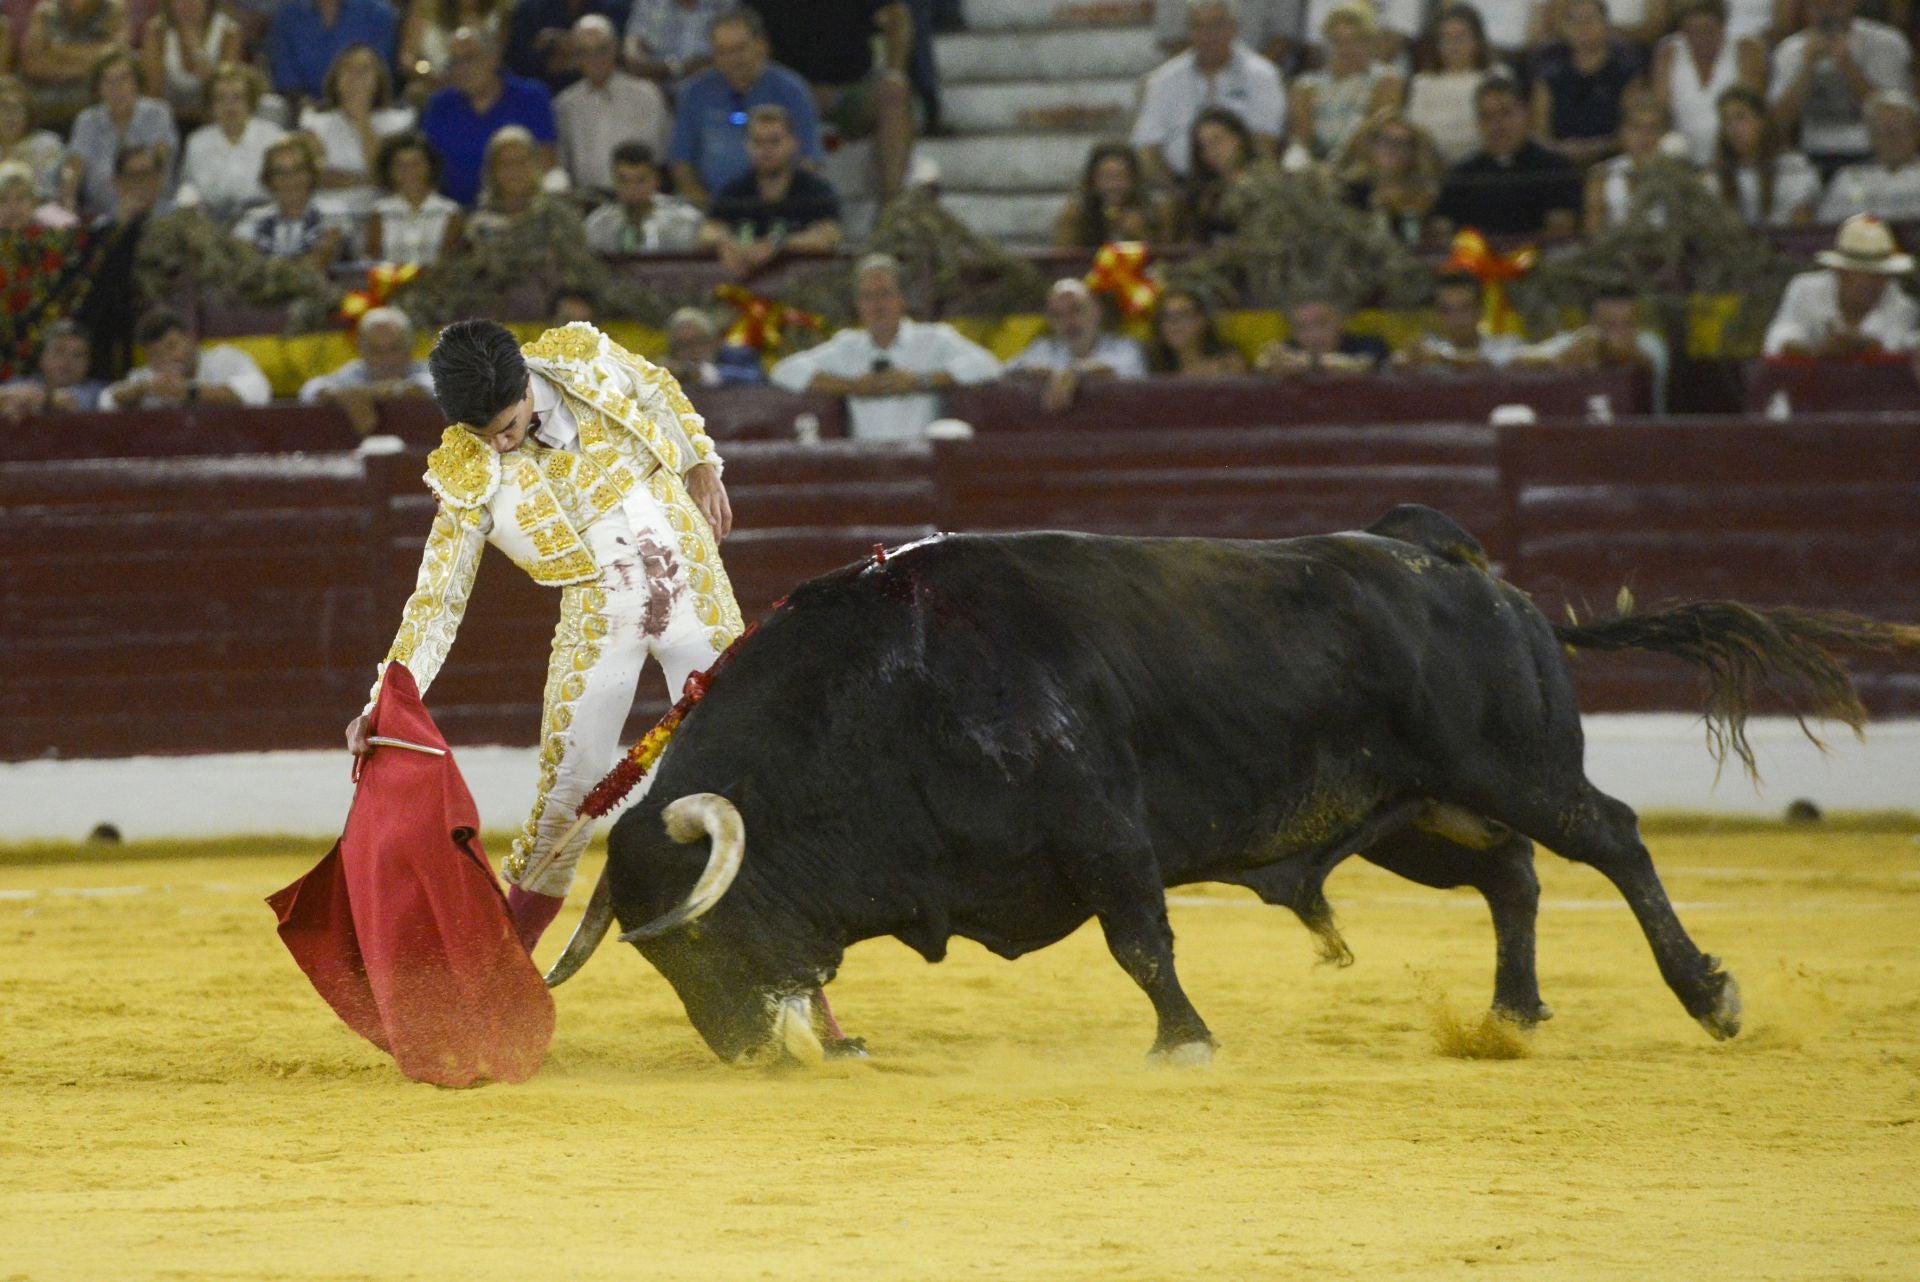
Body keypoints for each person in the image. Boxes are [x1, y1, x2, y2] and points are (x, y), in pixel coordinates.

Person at [343, 317, 742, 954]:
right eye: (482, 434)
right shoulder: (468, 473)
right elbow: (438, 600)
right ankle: (496, 988)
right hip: (599, 617)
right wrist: (380, 702)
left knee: (738, 768)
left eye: (506, 427)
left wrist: (700, 460)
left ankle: (793, 986)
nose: (498, 448)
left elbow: (655, 385)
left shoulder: (582, 358)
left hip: (694, 587)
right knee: (567, 795)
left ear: (527, 384)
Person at [769, 252, 1001, 440]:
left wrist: (920, 381)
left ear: (902, 299)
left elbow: (989, 365)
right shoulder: (848, 346)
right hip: (867, 466)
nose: (877, 305)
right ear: (859, 305)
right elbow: (784, 371)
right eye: (868, 297)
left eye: (885, 294)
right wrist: (852, 386)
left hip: (923, 463)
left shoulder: (934, 339)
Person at [741, 0, 914, 199]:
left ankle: (892, 205)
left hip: (849, 90)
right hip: (782, 93)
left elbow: (897, 13)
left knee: (894, 92)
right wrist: (797, 90)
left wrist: (895, 70)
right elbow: (746, 33)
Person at [666, 8, 822, 208]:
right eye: (722, 51)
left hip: (782, 210)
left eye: (739, 48)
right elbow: (681, 163)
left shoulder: (792, 91)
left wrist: (784, 209)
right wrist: (711, 212)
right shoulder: (694, 93)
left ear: (762, 45)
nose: (732, 59)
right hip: (713, 211)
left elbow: (809, 160)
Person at [1133, 0, 1286, 185]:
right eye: (1200, 27)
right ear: (1189, 31)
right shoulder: (1163, 80)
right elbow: (1147, 147)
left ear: (1233, 28)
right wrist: (1174, 189)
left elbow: (1266, 143)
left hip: (1245, 185)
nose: (1208, 36)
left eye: (1217, 26)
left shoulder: (1263, 75)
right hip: (1181, 186)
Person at [1768, 0, 1913, 176]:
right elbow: (1777, 121)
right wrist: (1806, 69)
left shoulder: (1887, 42)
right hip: (1812, 155)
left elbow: (1896, 115)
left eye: (1834, 5)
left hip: (1871, 154)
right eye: (1818, 6)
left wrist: (1848, 66)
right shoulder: (1789, 51)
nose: (1827, 13)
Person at [419, 24, 557, 206]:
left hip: (520, 214)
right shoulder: (439, 105)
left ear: (494, 58)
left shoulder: (530, 97)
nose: (461, 69)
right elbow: (425, 171)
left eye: (469, 58)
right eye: (454, 62)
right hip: (454, 217)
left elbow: (545, 164)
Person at [699, 104, 842, 278]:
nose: (766, 150)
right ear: (747, 146)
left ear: (792, 143)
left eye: (774, 141)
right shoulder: (733, 192)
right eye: (758, 142)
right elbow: (708, 232)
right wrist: (726, 242)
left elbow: (828, 236)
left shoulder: (815, 190)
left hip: (801, 285)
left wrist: (778, 245)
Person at [1434, 75, 1583, 237]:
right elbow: (1443, 229)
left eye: (1505, 113)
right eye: (1487, 117)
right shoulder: (1463, 174)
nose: (1497, 125)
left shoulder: (1554, 168)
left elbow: (1560, 230)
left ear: (1526, 115)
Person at [1763, 213, 1919, 356]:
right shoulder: (1804, 289)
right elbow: (1778, 339)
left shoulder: (1902, 305)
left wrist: (1859, 346)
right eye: (1866, 273)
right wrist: (1814, 352)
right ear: (1841, 271)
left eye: (1882, 274)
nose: (1875, 282)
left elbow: (1898, 352)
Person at [304, 43, 416, 239]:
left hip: (381, 213)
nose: (356, 77)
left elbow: (391, 177)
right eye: (348, 68)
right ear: (336, 77)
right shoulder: (315, 122)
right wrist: (368, 180)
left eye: (364, 69)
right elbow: (316, 177)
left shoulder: (399, 121)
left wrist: (362, 120)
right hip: (328, 214)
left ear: (378, 78)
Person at [553, 14, 668, 194]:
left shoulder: (646, 96)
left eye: (601, 50)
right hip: (587, 201)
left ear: (615, 48)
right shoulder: (565, 104)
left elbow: (660, 158)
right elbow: (563, 165)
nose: (594, 59)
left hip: (639, 197)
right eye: (584, 52)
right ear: (575, 56)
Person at [63, 49, 178, 221]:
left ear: (137, 82)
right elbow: (73, 169)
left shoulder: (158, 113)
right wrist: (67, 205)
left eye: (124, 79)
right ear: (98, 88)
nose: (116, 88)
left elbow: (158, 167)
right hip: (100, 214)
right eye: (107, 81)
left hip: (154, 212)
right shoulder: (87, 120)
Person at [1531, 0, 1646, 170]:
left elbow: (1634, 128)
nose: (1583, 27)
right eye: (1576, 21)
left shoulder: (1626, 76)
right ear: (1565, 28)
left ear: (1606, 26)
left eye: (1591, 19)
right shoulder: (1549, 78)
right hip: (1559, 166)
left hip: (1613, 164)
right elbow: (1540, 135)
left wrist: (1597, 148)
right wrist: (1562, 150)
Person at [1005, 277, 1149, 413]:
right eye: (1057, 315)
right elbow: (1003, 373)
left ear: (1096, 311)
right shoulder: (1043, 349)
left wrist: (1075, 374)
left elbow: (1121, 370)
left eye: (1076, 310)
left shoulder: (1125, 347)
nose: (1067, 321)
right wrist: (1026, 372)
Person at [1519, 286, 1670, 411]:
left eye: (1627, 324)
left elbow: (1635, 358)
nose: (1618, 333)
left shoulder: (1651, 343)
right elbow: (1519, 358)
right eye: (1609, 325)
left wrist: (1600, 345)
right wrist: (1558, 359)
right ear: (1591, 323)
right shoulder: (1580, 340)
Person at [1652, 0, 1765, 167]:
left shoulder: (1745, 49)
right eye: (1693, 32)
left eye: (1709, 31)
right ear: (1682, 30)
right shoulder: (1669, 52)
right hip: (1683, 157)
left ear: (1723, 26)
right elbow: (1661, 111)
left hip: (1732, 157)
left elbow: (1753, 110)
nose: (1702, 38)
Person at [1288, 3, 1402, 162]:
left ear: (1370, 42)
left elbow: (1375, 132)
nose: (1347, 48)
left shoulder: (1386, 80)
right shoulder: (1306, 86)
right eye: (1339, 41)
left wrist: (1339, 162)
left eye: (1356, 40)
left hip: (1361, 162)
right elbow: (1303, 138)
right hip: (1316, 163)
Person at [101, 306, 273, 407]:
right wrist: (141, 390)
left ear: (190, 340)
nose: (167, 358)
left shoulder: (223, 358)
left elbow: (258, 391)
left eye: (172, 346)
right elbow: (106, 400)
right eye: (156, 355)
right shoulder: (148, 378)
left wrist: (190, 392)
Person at [300, 305, 436, 432]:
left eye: (394, 348)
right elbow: (309, 390)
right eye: (375, 350)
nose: (386, 359)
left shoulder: (426, 370)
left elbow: (434, 387)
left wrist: (369, 394)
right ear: (361, 350)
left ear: (409, 348)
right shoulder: (355, 371)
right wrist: (337, 395)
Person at [177, 64, 285, 224]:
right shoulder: (198, 142)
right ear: (211, 104)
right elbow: (189, 187)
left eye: (237, 97)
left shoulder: (273, 137)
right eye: (220, 99)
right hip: (211, 221)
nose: (229, 106)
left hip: (263, 219)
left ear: (251, 101)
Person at [1406, 4, 1504, 167]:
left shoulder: (1496, 77)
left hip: (1483, 166)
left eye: (1460, 37)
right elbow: (1416, 132)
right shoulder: (1422, 82)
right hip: (1432, 167)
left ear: (1477, 40)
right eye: (1446, 38)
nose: (1453, 45)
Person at [1714, 84, 1822, 225]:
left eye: (1741, 118)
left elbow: (1802, 227)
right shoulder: (1715, 176)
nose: (1733, 128)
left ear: (1761, 120)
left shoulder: (1792, 166)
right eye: (1727, 120)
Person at [233, 136, 345, 270]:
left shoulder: (333, 211)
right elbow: (244, 266)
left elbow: (316, 264)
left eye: (298, 169)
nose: (290, 180)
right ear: (269, 179)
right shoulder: (252, 219)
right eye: (280, 172)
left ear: (311, 174)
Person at [269, 0, 400, 107]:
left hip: (367, 110)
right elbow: (286, 79)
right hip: (301, 112)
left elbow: (380, 77)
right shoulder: (287, 16)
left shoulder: (377, 14)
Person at [19, 0, 128, 128]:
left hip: (93, 100)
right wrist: (92, 62)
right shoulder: (44, 13)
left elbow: (116, 56)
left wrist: (57, 52)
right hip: (46, 102)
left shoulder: (112, 9)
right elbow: (32, 66)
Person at [1340, 112, 1443, 244]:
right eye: (1384, 140)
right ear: (1369, 146)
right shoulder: (1350, 192)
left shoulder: (1426, 196)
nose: (1392, 149)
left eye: (1402, 143)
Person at [583, 139, 703, 252]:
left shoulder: (685, 220)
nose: (632, 188)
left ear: (656, 180)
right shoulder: (597, 225)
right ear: (613, 181)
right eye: (624, 180)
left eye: (641, 180)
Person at [1817, 91, 1920, 222]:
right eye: (1881, 130)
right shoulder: (1850, 178)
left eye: (1899, 128)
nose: (1891, 138)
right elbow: (1827, 228)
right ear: (1870, 136)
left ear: (1916, 131)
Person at [1394, 271, 1528, 368]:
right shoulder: (1428, 348)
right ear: (1437, 314)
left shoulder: (1507, 345)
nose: (1457, 318)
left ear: (1480, 311)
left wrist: (1443, 359)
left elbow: (1487, 363)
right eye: (1447, 310)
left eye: (1465, 308)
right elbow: (1396, 362)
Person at [366, 129, 464, 262]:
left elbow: (449, 263)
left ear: (430, 167)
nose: (409, 171)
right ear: (389, 171)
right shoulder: (380, 212)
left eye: (416, 163)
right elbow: (371, 261)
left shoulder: (450, 212)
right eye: (400, 165)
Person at [139, 0, 241, 127]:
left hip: (212, 119)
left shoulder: (228, 31)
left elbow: (223, 91)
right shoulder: (156, 31)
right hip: (167, 118)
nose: (188, 4)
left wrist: (197, 52)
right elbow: (152, 92)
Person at [1054, 142, 1174, 249]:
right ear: (1092, 180)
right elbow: (1063, 257)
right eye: (1106, 176)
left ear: (1134, 180)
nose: (1113, 185)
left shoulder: (1155, 211)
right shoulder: (1077, 212)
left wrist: (1139, 234)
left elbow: (1166, 258)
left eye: (1121, 176)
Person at [462, 123, 568, 243]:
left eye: (521, 161)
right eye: (506, 163)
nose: (515, 170)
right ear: (493, 170)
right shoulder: (479, 226)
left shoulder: (557, 217)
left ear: (535, 165)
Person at [1585, 97, 1679, 231]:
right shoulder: (1601, 175)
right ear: (1622, 133)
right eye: (1636, 128)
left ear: (1664, 134)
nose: (1645, 136)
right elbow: (1593, 231)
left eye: (1653, 127)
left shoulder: (1680, 176)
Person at [503, 0, 631, 94]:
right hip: (546, 99)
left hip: (608, 95)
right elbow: (516, 64)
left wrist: (566, 46)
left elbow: (619, 58)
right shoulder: (530, 8)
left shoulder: (616, 7)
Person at [1257, 293, 1389, 375]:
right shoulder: (1288, 347)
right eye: (1302, 328)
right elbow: (1263, 363)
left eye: (1322, 323)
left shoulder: (1369, 344)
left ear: (1340, 324)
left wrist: (1308, 364)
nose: (1314, 334)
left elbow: (1364, 366)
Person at [1179, 105, 1257, 242]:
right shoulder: (1206, 193)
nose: (1212, 151)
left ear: (1239, 139)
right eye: (1204, 146)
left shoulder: (1263, 184)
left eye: (1218, 140)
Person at [0, 319, 105, 417]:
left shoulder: (98, 393)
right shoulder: (19, 383)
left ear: (88, 363)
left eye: (78, 355)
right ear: (42, 357)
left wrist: (41, 399)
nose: (67, 360)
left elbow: (69, 402)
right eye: (59, 351)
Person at [399, 0, 507, 91]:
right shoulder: (425, 6)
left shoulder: (501, 11)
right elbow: (408, 59)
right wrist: (429, 73)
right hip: (432, 86)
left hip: (484, 88)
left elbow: (503, 59)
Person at [1146, 287, 1249, 375]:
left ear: (1202, 320)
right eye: (1166, 317)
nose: (1174, 323)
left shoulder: (1228, 364)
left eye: (1184, 315)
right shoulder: (1152, 368)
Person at [624, 0, 731, 83]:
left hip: (709, 90)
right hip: (654, 89)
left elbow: (729, 54)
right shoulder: (650, 3)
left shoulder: (723, 5)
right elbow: (633, 57)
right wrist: (676, 68)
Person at [663, 306, 764, 387]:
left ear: (713, 341)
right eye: (682, 345)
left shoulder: (739, 356)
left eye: (698, 341)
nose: (692, 351)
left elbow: (758, 378)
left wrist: (710, 374)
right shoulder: (671, 371)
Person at [0, 76, 66, 196]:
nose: (10, 115)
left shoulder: (47, 145)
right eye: (3, 107)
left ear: (29, 112)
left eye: (17, 108)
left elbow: (52, 191)